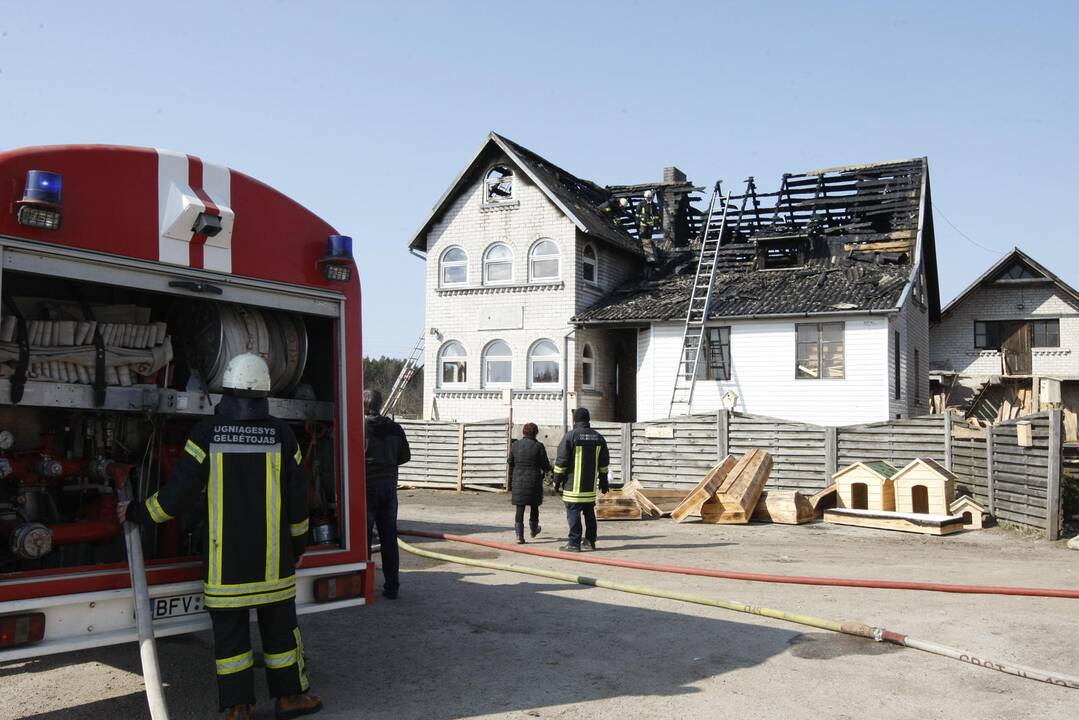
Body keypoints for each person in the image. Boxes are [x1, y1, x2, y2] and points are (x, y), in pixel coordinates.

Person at [117, 353, 321, 720]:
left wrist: (136, 512)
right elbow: (297, 503)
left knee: (231, 645)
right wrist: (298, 547)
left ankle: (237, 709)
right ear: (264, 391)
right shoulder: (282, 435)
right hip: (274, 567)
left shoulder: (206, 434)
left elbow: (177, 496)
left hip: (225, 572)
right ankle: (290, 699)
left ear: (225, 388)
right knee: (281, 637)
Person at [363, 388, 411, 599]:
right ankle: (392, 587)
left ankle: (364, 587)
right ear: (380, 404)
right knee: (389, 538)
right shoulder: (395, 428)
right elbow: (405, 456)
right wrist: (389, 463)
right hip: (389, 488)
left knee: (362, 540)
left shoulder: (360, 426)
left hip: (366, 488)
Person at [552, 408, 610, 552]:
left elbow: (561, 462)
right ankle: (590, 541)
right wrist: (604, 482)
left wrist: (556, 481)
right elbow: (604, 463)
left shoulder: (570, 436)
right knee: (589, 514)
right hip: (589, 488)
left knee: (573, 514)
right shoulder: (599, 437)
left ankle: (573, 543)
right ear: (588, 420)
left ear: (575, 420)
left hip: (573, 488)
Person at [507, 422, 551, 544]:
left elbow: (510, 461)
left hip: (518, 480)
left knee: (519, 508)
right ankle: (533, 530)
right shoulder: (539, 446)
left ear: (523, 432)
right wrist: (548, 471)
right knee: (534, 506)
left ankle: (519, 536)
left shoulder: (515, 445)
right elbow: (546, 465)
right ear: (536, 433)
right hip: (534, 480)